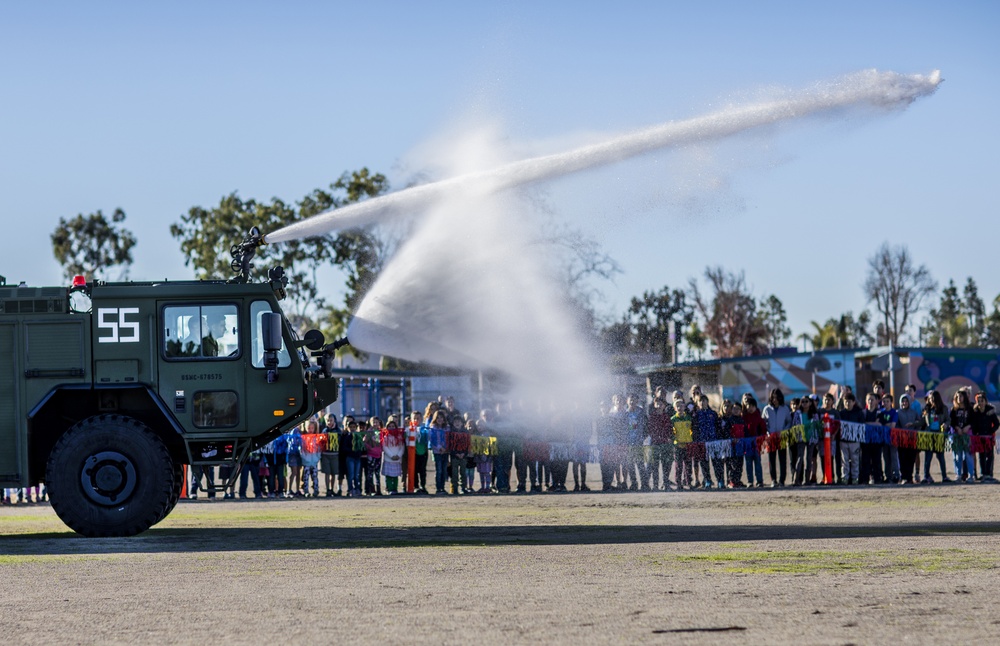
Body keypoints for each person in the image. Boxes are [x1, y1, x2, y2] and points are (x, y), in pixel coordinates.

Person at [762, 388, 792, 488]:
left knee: (783, 459)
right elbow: (763, 423)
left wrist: (783, 431)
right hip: (771, 438)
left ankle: (782, 480)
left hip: (782, 437)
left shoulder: (785, 409)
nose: (775, 400)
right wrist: (768, 432)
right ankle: (773, 480)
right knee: (772, 460)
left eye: (777, 398)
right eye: (773, 398)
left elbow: (789, 422)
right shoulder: (767, 409)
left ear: (780, 398)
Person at [921, 391, 951, 484]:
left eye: (932, 399)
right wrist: (913, 424)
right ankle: (926, 476)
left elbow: (948, 419)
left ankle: (944, 476)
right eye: (929, 399)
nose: (931, 401)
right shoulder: (927, 409)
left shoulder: (944, 408)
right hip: (929, 435)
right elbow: (922, 422)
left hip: (939, 436)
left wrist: (945, 424)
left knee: (941, 457)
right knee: (928, 457)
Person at [647, 397, 674, 490]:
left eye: (661, 403)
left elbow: (670, 429)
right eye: (657, 403)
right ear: (654, 405)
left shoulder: (666, 417)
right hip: (655, 443)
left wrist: (669, 438)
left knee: (665, 465)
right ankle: (655, 485)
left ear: (664, 405)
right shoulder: (652, 416)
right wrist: (657, 437)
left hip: (665, 443)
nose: (659, 405)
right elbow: (650, 430)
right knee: (655, 465)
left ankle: (666, 484)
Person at [971, 392, 999, 482]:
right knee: (981, 455)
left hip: (989, 437)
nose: (980, 403)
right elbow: (973, 424)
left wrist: (991, 431)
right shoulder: (975, 412)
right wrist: (976, 432)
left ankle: (989, 474)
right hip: (980, 438)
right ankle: (983, 473)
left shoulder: (990, 411)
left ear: (985, 401)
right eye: (978, 401)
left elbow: (997, 423)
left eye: (982, 401)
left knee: (989, 455)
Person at [791, 396, 819, 485]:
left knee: (809, 459)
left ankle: (807, 480)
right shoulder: (797, 414)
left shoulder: (814, 414)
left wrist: (816, 438)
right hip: (801, 438)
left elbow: (817, 427)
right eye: (802, 401)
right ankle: (796, 480)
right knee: (800, 458)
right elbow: (794, 426)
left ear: (810, 403)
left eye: (806, 401)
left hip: (811, 439)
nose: (804, 403)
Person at [896, 393, 922, 484]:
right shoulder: (898, 412)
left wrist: (913, 425)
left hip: (912, 439)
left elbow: (919, 423)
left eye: (906, 401)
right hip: (902, 440)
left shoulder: (914, 412)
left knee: (911, 458)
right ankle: (904, 477)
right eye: (903, 401)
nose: (904, 403)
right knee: (902, 458)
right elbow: (896, 425)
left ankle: (910, 477)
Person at [949, 390, 975, 482]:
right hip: (957, 436)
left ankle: (971, 475)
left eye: (961, 396)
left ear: (964, 397)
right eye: (957, 397)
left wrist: (968, 427)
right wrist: (957, 428)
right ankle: (958, 475)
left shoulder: (970, 409)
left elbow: (973, 421)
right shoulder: (953, 410)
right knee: (957, 456)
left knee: (968, 455)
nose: (959, 398)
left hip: (967, 436)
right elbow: (951, 422)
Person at [839, 393, 864, 485]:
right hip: (844, 441)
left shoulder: (858, 413)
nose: (847, 404)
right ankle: (845, 478)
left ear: (853, 402)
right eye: (846, 402)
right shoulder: (841, 413)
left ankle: (855, 478)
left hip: (855, 441)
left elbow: (861, 426)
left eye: (849, 402)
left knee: (855, 460)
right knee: (844, 461)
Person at [741, 396, 766, 488]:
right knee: (748, 463)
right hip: (747, 444)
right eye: (748, 406)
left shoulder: (758, 417)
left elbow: (763, 429)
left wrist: (762, 439)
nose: (750, 408)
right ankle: (750, 481)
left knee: (757, 463)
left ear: (755, 407)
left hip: (756, 444)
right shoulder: (744, 417)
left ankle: (760, 481)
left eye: (752, 406)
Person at [818, 393, 842, 484]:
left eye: (829, 400)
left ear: (832, 401)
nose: (827, 402)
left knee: (831, 458)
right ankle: (824, 476)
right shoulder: (820, 411)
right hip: (821, 439)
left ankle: (831, 476)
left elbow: (838, 424)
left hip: (832, 440)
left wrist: (834, 435)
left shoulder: (835, 412)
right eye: (825, 400)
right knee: (822, 458)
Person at [877, 394, 900, 484]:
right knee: (886, 458)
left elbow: (893, 425)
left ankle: (896, 475)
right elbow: (879, 424)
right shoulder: (880, 412)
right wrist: (886, 425)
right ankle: (888, 476)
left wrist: (885, 425)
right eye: (884, 401)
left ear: (891, 402)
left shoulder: (894, 412)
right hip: (883, 438)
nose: (886, 403)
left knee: (894, 456)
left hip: (893, 438)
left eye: (887, 401)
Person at [381, 415, 405, 494]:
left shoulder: (399, 436)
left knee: (395, 476)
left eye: (393, 426)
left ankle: (395, 489)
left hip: (397, 459)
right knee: (389, 476)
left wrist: (398, 455)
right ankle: (390, 489)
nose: (391, 427)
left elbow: (402, 447)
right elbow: (385, 447)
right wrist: (391, 456)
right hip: (389, 459)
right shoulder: (385, 437)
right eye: (390, 426)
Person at [429, 410, 451, 495]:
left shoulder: (447, 428)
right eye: (438, 418)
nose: (440, 419)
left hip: (445, 452)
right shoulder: (433, 427)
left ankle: (443, 487)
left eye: (441, 417)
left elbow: (449, 439)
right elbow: (432, 439)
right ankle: (438, 488)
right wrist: (439, 448)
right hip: (437, 452)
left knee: (444, 470)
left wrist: (446, 448)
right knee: (439, 470)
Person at [319, 413, 340, 497]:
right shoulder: (324, 431)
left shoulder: (338, 430)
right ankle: (328, 489)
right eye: (327, 420)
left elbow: (340, 440)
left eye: (331, 420)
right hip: (325, 454)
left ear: (334, 420)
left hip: (334, 454)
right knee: (327, 473)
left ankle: (332, 488)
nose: (329, 422)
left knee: (333, 473)